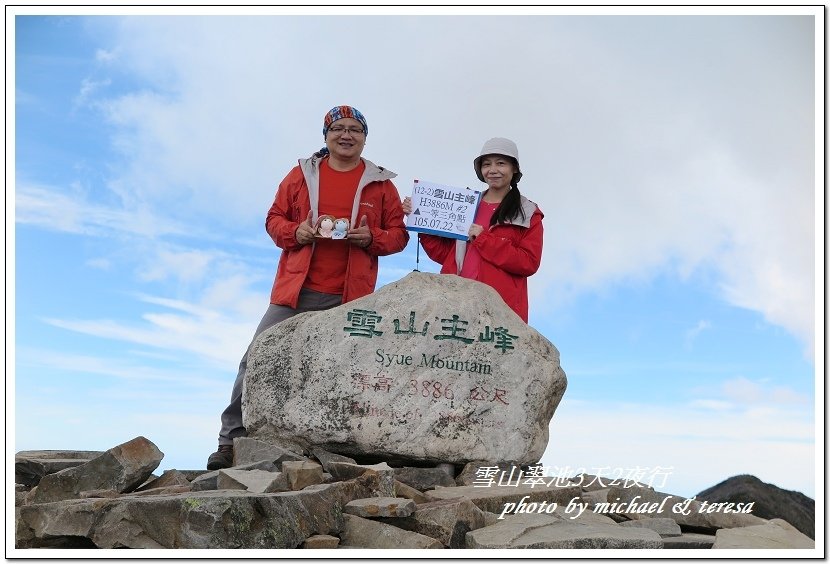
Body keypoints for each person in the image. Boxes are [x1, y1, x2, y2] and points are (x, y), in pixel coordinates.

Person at [207, 105, 409, 470]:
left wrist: (371, 238)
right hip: (295, 291)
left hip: (351, 297)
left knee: (347, 370)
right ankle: (230, 442)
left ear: (365, 137)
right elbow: (274, 219)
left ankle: (343, 447)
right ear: (326, 135)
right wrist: (295, 232)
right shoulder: (301, 175)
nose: (346, 135)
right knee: (254, 360)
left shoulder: (381, 184)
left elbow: (398, 236)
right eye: (339, 128)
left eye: (355, 129)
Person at [403, 137, 542, 323]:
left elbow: (528, 262)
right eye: (487, 164)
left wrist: (484, 239)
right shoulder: (466, 204)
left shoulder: (528, 212)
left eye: (501, 163)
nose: (493, 170)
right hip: (456, 302)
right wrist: (423, 222)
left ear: (514, 168)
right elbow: (446, 255)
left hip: (501, 309)